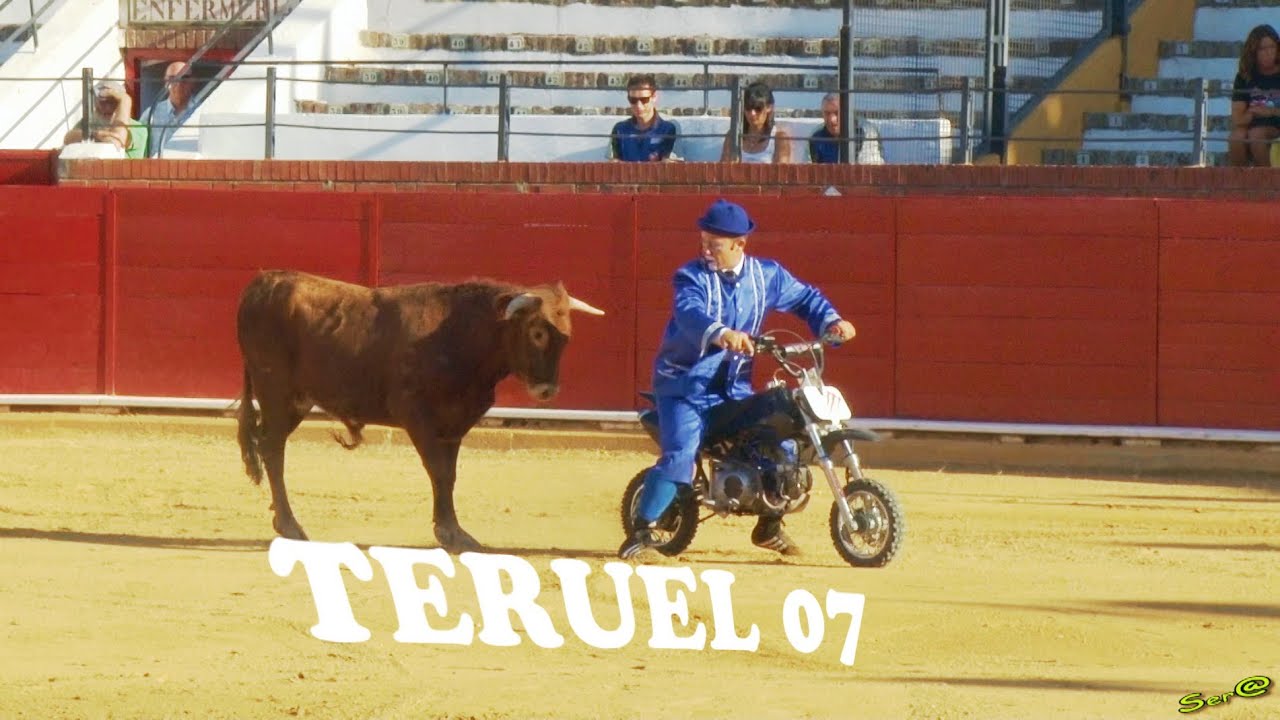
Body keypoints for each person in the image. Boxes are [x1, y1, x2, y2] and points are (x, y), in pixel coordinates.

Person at [618, 199, 857, 561]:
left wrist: (832, 322)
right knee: (681, 454)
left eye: (714, 244)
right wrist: (721, 333)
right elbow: (689, 313)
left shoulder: (767, 276)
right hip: (685, 388)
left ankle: (769, 526)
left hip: (733, 389)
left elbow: (806, 298)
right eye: (703, 241)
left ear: (739, 245)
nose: (706, 249)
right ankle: (641, 529)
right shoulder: (691, 276)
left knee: (782, 435)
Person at [1229, 24, 1280, 167]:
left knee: (1257, 135)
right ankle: (1239, 184)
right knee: (1236, 137)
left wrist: (1270, 112)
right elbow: (1238, 119)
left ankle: (1268, 182)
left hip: (1276, 124)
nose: (1269, 52)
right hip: (1253, 123)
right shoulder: (1245, 76)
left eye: (1272, 47)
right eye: (1263, 49)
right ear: (1253, 51)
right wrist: (1253, 113)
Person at [62, 81, 148, 159]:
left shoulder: (138, 128)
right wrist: (95, 135)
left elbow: (117, 141)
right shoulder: (92, 122)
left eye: (112, 102)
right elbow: (68, 138)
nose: (107, 107)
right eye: (102, 102)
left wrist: (125, 100)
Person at [608, 74, 680, 161]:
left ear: (654, 97)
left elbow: (670, 165)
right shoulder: (619, 130)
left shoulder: (668, 130)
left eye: (644, 100)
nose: (639, 106)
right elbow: (613, 164)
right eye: (633, 100)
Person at [721, 81, 793, 163]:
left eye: (758, 108)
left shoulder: (779, 139)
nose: (752, 113)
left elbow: (781, 173)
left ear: (769, 107)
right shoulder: (733, 136)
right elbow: (724, 169)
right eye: (748, 108)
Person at [142, 61, 194, 158]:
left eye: (184, 78)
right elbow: (139, 148)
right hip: (160, 170)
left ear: (192, 82)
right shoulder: (151, 114)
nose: (179, 83)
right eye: (173, 78)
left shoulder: (201, 109)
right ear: (166, 82)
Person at [808, 92, 865, 164]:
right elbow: (809, 170)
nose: (832, 120)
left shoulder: (863, 134)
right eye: (827, 113)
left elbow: (871, 169)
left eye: (836, 113)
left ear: (847, 112)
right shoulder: (816, 138)